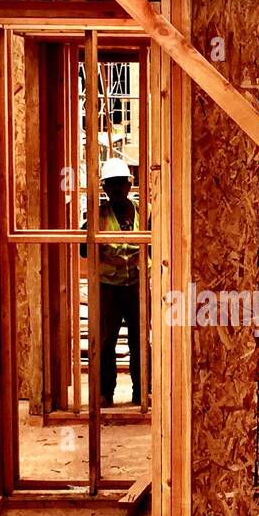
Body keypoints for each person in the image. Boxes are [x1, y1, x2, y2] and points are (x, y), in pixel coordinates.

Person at [83, 157, 143, 405]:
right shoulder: (98, 216)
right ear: (105, 188)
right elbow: (84, 251)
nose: (117, 189)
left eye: (120, 183)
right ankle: (105, 392)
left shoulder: (145, 210)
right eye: (111, 184)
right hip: (108, 287)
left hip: (137, 285)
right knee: (106, 340)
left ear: (129, 185)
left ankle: (142, 391)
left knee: (139, 339)